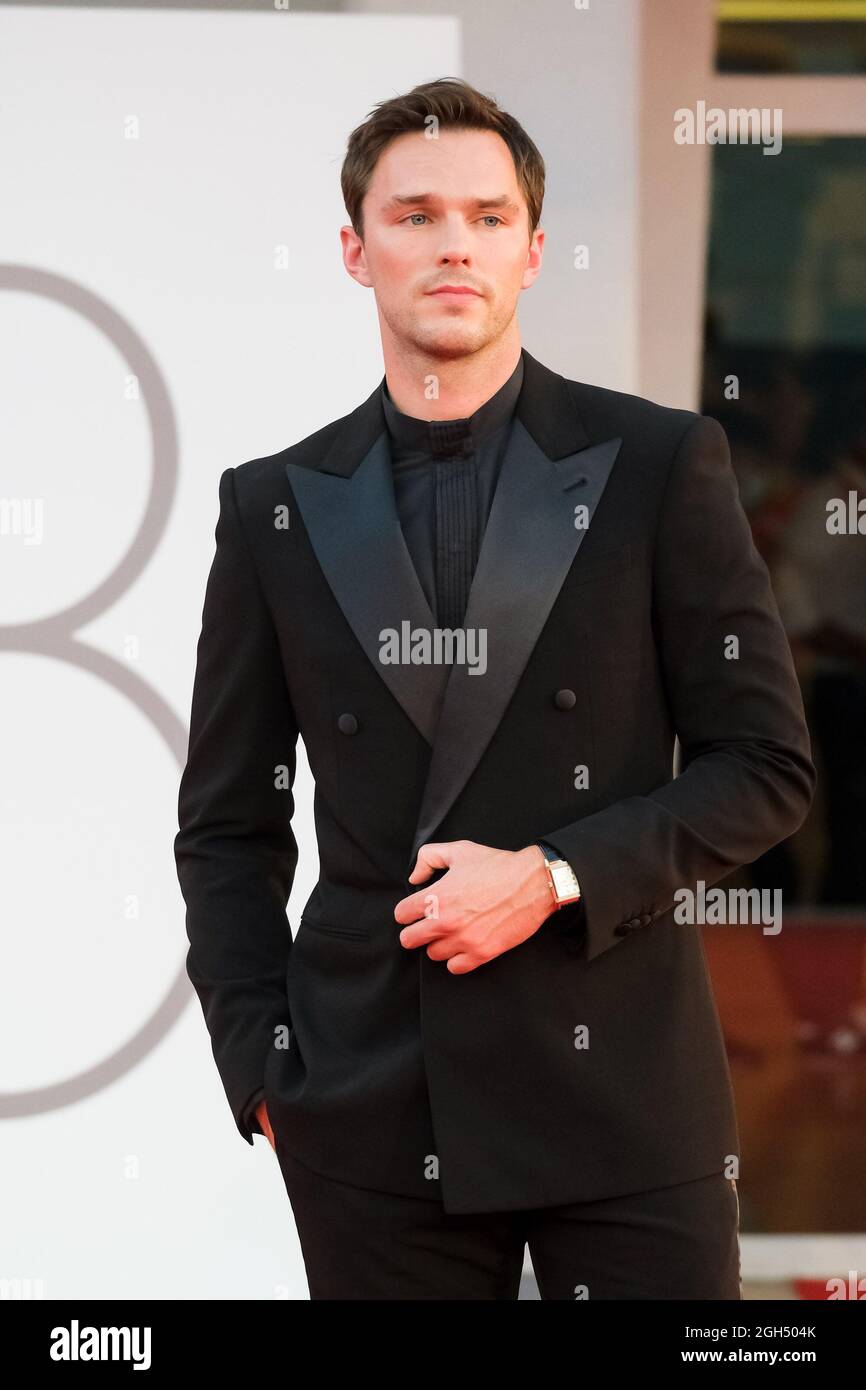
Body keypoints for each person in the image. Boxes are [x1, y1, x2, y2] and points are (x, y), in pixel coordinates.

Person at [174, 77, 815, 1300]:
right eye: (414, 214)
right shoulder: (272, 506)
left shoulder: (659, 465)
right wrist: (260, 1057)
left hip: (624, 1094)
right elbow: (226, 824)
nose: (452, 242)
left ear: (531, 248)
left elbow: (766, 770)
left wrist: (554, 875)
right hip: (368, 1098)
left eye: (483, 213)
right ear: (356, 252)